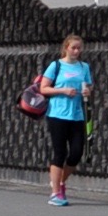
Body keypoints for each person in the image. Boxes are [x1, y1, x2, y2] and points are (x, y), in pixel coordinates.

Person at [36, 34, 92, 205]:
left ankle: (60, 182)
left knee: (76, 153)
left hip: (77, 115)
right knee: (60, 153)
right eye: (73, 47)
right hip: (57, 114)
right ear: (66, 48)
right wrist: (63, 91)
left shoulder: (84, 67)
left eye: (79, 48)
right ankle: (55, 193)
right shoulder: (56, 65)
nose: (76, 51)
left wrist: (87, 91)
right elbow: (44, 88)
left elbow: (88, 86)